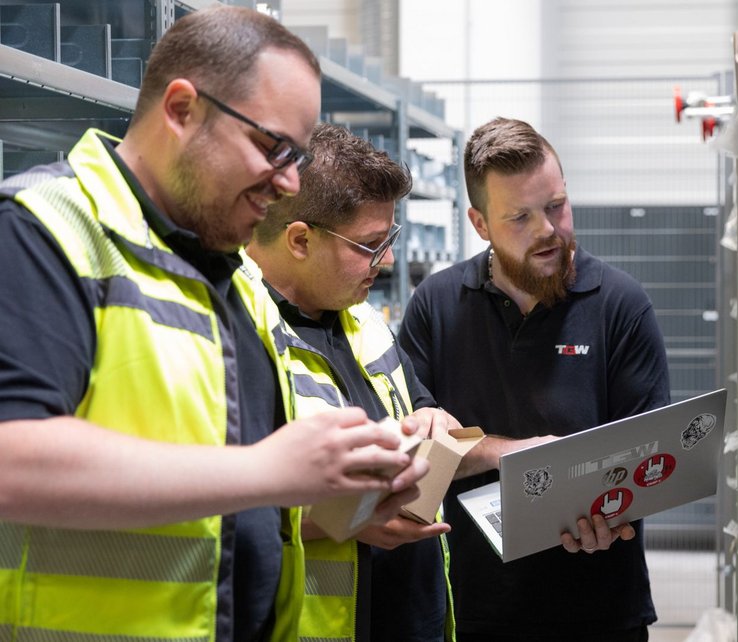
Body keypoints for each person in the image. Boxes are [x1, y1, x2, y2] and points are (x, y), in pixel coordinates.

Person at [0, 7, 427, 641]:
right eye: (272, 148)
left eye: (298, 157)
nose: (287, 184)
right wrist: (273, 471)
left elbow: (223, 494)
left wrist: (346, 498)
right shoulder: (45, 231)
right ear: (181, 110)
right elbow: (12, 459)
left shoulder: (226, 277)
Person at [398, 117, 672, 641]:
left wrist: (613, 513)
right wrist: (508, 453)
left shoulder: (621, 306)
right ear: (480, 224)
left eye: (556, 206)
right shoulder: (436, 307)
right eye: (520, 217)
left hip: (601, 612)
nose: (547, 230)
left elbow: (651, 457)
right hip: (471, 612)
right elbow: (414, 457)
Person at [247, 122, 460, 642]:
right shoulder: (238, 330)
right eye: (370, 244)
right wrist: (348, 519)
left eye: (390, 238)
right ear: (300, 239)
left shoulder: (361, 318)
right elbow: (218, 503)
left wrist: (434, 422)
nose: (386, 261)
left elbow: (419, 409)